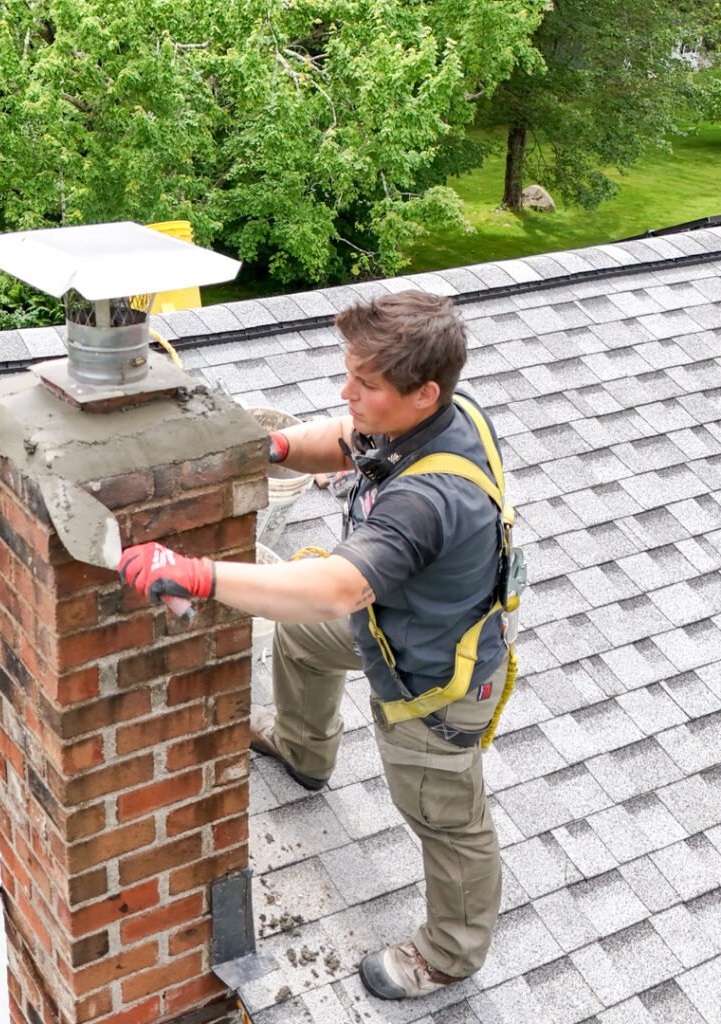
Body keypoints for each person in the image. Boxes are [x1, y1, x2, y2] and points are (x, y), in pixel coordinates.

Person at [118, 291, 510, 1000]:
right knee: (302, 643)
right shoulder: (435, 415)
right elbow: (347, 438)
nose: (346, 392)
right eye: (349, 373)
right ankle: (303, 745)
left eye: (365, 384)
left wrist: (194, 574)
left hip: (431, 682)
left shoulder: (430, 501)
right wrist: (274, 448)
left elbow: (334, 589)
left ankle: (450, 953)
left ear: (423, 393)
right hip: (389, 624)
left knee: (444, 819)